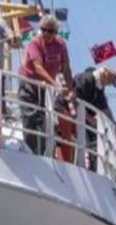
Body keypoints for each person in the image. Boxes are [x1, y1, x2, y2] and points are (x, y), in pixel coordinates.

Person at [18, 15, 74, 156]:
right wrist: (55, 84)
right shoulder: (34, 43)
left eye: (51, 31)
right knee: (30, 119)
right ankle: (30, 153)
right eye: (44, 30)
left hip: (46, 88)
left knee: (45, 120)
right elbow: (38, 67)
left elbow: (66, 68)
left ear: (56, 32)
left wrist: (71, 89)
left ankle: (43, 153)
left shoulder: (60, 44)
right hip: (30, 85)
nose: (47, 34)